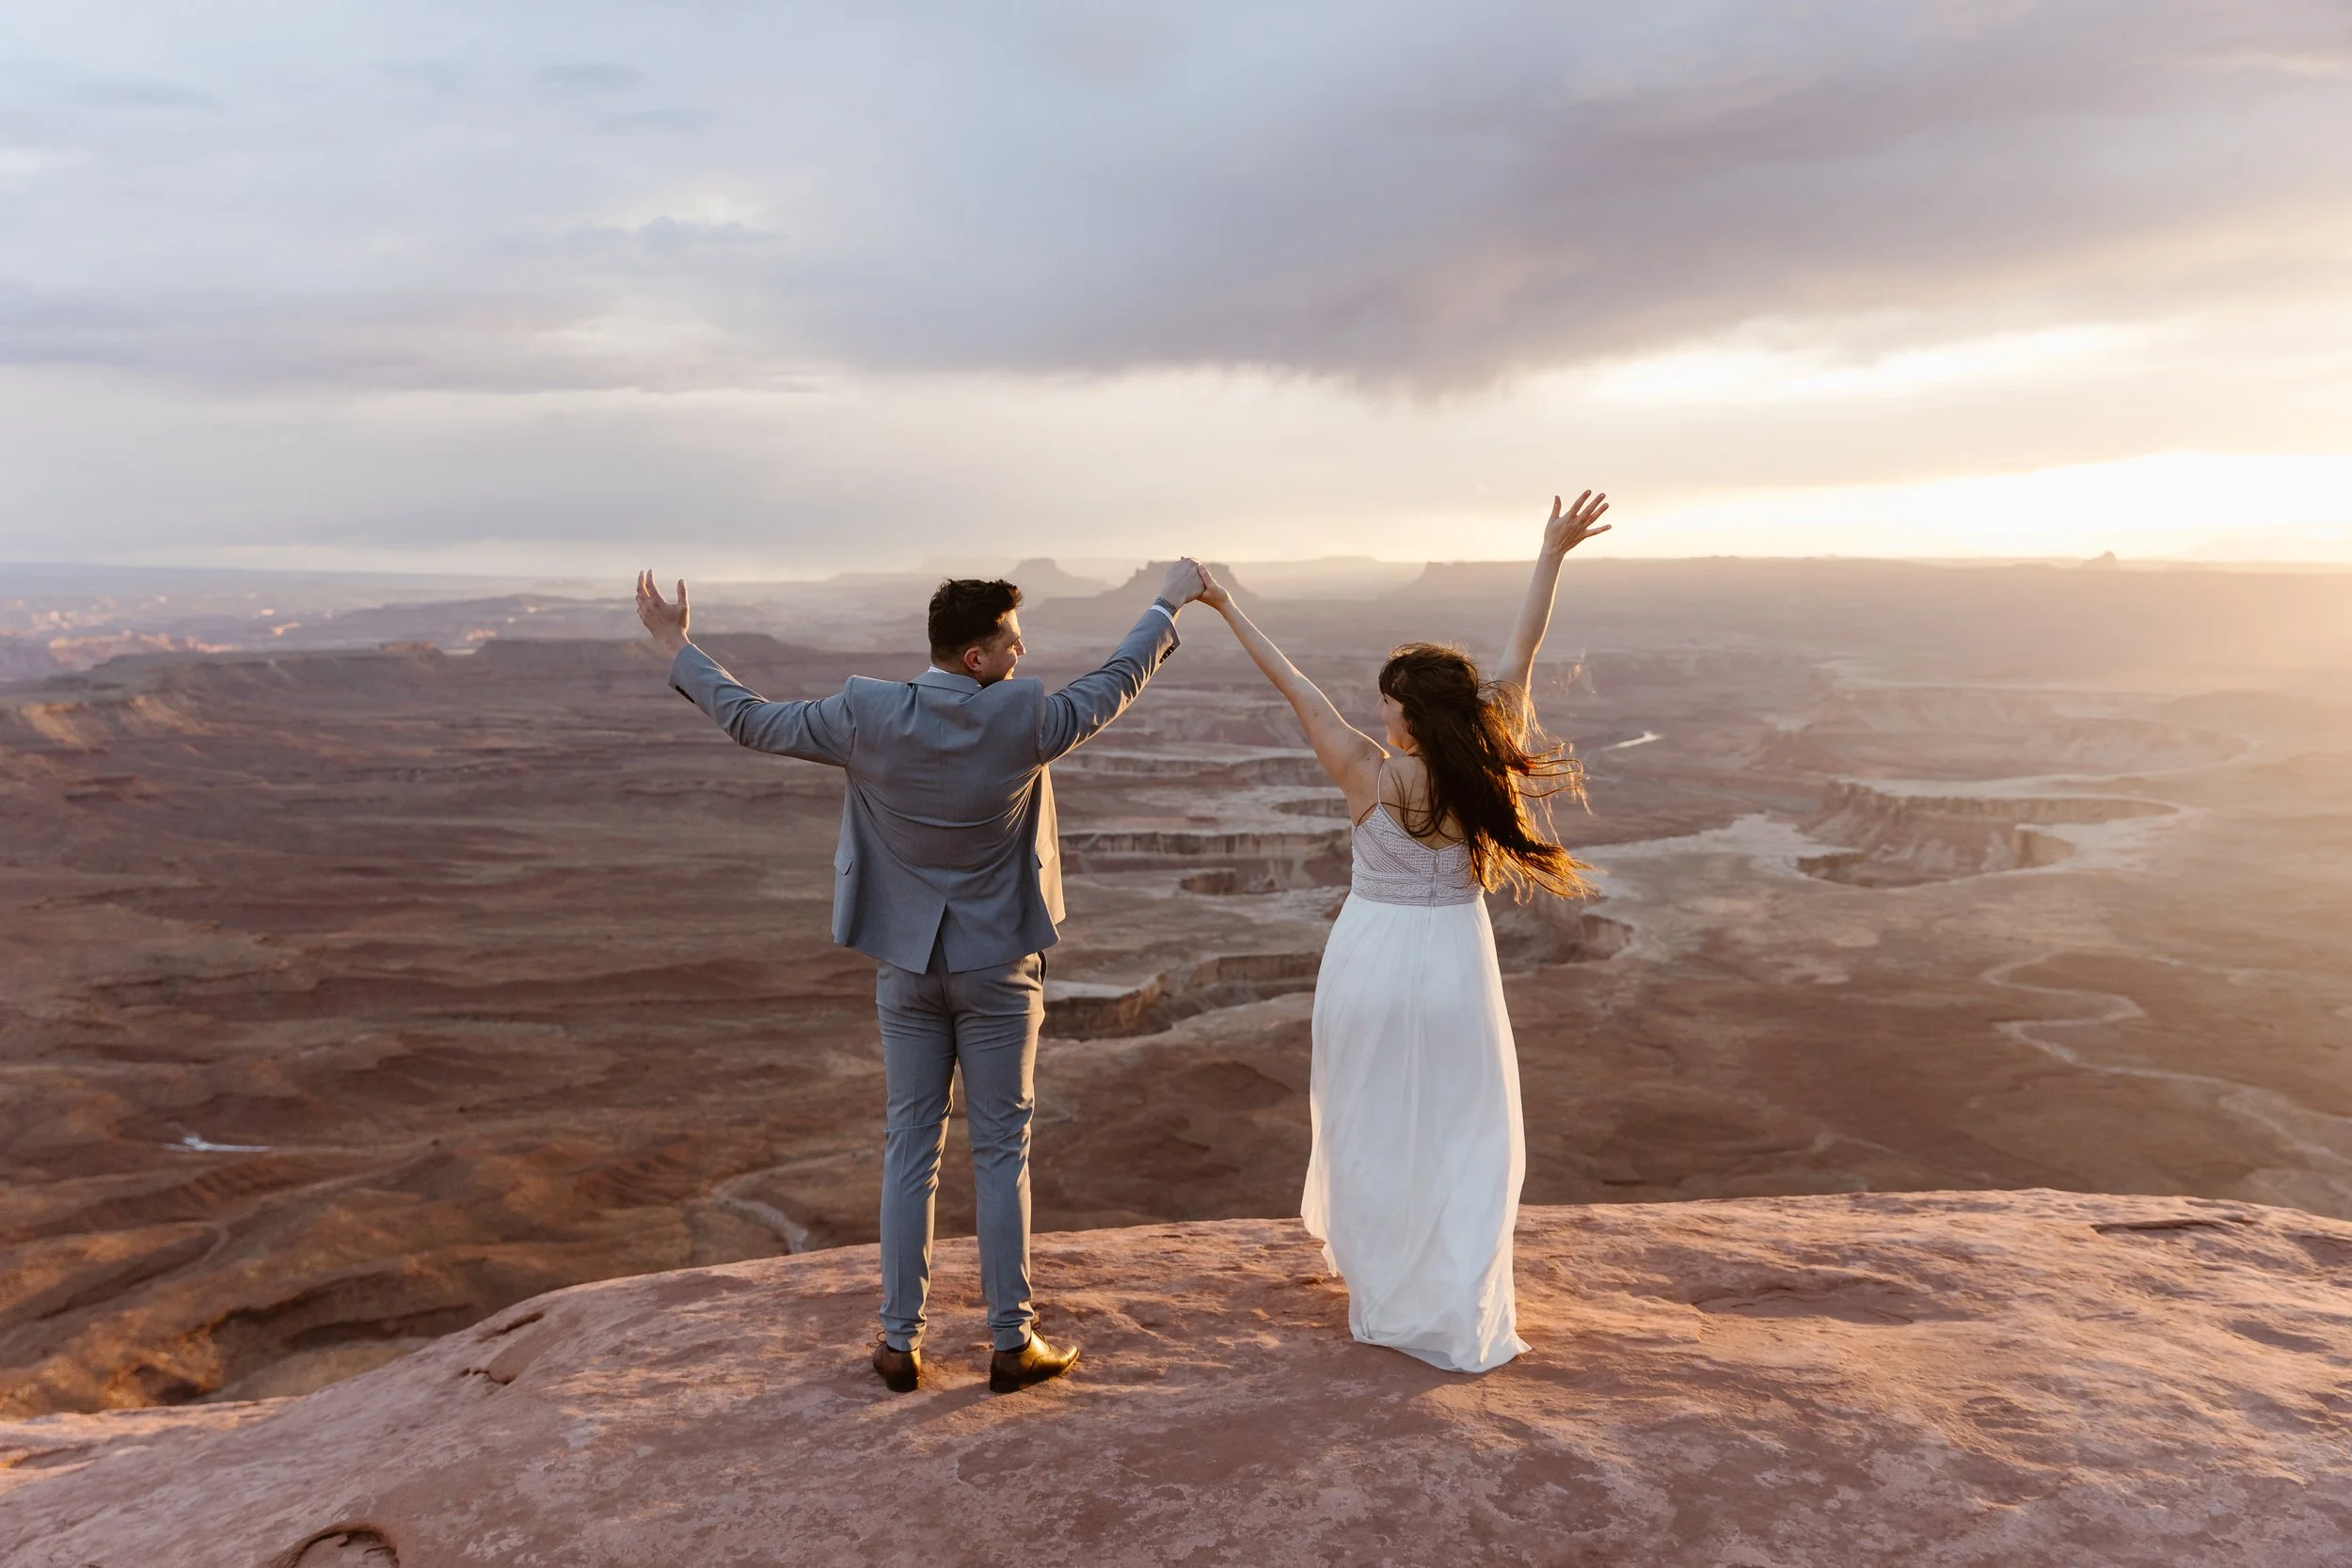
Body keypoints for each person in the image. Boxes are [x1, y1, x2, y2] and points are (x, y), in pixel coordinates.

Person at [633, 560, 1208, 1394]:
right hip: (998, 970)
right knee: (1002, 1148)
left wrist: (674, 643)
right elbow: (1117, 681)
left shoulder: (867, 716)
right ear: (976, 656)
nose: (1023, 649)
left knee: (912, 1146)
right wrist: (1166, 602)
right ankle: (1012, 1341)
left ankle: (899, 1341)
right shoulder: (1025, 720)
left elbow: (750, 720)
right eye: (1012, 638)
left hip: (906, 969)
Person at [1196, 492, 1610, 1372]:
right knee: (1463, 1126)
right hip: (1455, 957)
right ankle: (1453, 1297)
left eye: (1385, 703)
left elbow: (1292, 685)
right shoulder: (1485, 756)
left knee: (1374, 1122)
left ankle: (1382, 1292)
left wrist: (1226, 606)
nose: (1374, 710)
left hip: (1370, 956)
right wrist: (1551, 553)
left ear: (1406, 716)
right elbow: (1521, 648)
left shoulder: (1362, 771)